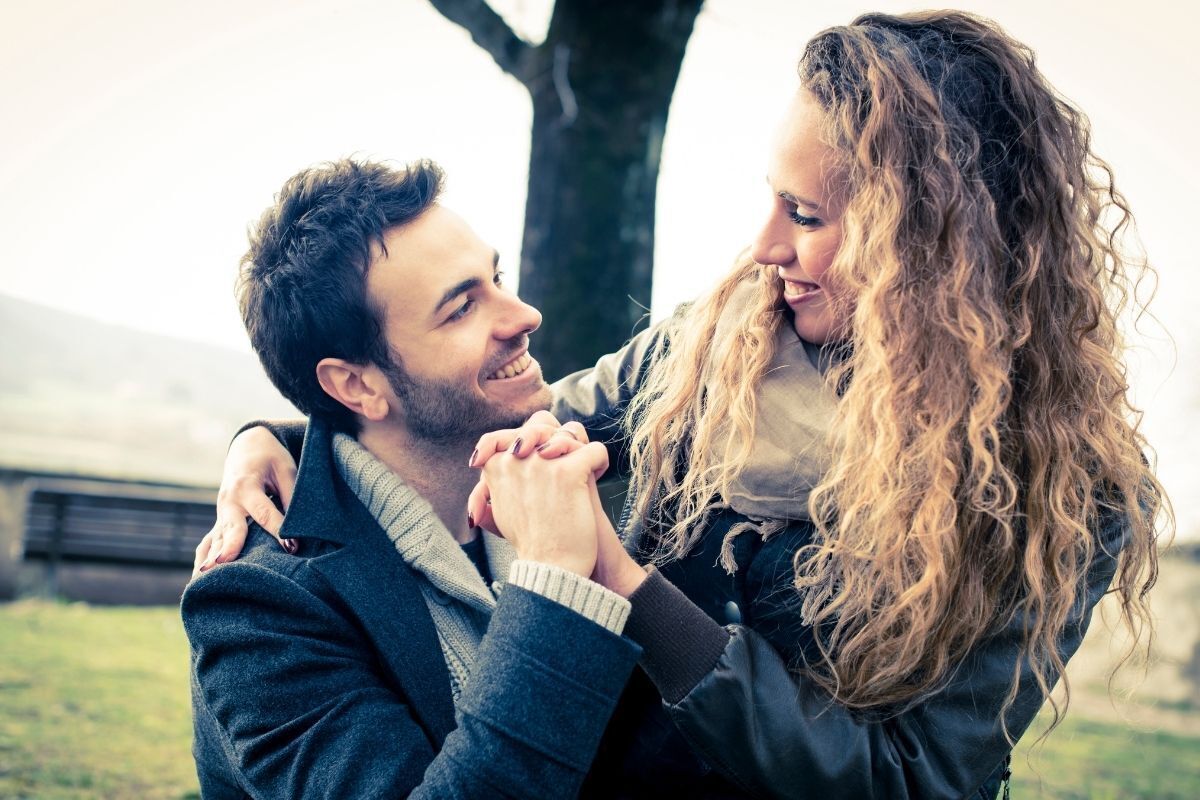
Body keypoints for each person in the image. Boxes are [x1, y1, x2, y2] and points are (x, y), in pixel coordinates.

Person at [200, 11, 1167, 798]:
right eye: (773, 199)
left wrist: (621, 583)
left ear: (929, 239)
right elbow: (490, 427)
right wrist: (287, 438)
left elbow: (915, 781)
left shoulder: (1064, 493)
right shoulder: (714, 351)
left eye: (808, 215)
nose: (762, 247)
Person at [182, 158, 645, 799]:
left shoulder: (553, 471)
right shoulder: (258, 610)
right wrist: (556, 587)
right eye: (461, 309)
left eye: (497, 278)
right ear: (356, 385)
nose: (525, 315)